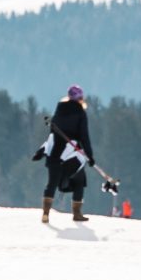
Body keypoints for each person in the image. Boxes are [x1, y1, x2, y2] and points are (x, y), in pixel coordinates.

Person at [32, 84, 94, 223]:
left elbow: (53, 131)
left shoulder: (60, 108)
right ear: (80, 98)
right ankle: (77, 213)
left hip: (54, 153)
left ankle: (46, 214)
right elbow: (84, 136)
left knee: (51, 183)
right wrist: (89, 155)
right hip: (71, 155)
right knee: (79, 181)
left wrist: (43, 149)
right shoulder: (80, 112)